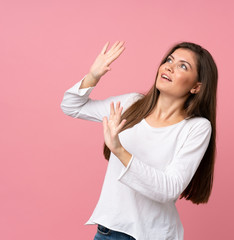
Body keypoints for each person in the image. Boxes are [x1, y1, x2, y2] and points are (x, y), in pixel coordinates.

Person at [60, 41, 218, 240]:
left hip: (156, 235)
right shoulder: (132, 104)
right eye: (169, 60)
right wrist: (93, 76)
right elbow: (71, 107)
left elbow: (168, 189)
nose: (169, 66)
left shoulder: (196, 127)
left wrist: (119, 150)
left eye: (182, 66)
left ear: (196, 87)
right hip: (110, 232)